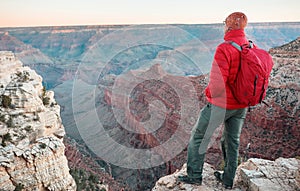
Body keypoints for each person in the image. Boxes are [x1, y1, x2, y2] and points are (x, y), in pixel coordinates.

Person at [178, 12, 249, 189]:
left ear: (229, 26)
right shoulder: (248, 46)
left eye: (225, 23)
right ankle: (228, 179)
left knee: (199, 136)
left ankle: (194, 175)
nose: (224, 26)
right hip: (242, 105)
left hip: (221, 105)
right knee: (232, 141)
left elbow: (217, 85)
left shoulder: (224, 48)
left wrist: (207, 92)